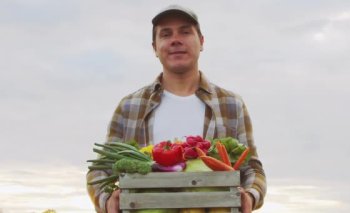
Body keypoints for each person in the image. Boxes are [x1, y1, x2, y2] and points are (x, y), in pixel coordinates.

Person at [86, 5, 266, 213]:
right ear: (155, 47)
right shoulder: (129, 107)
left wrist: (250, 196)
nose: (176, 40)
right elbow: (99, 170)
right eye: (166, 34)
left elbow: (252, 168)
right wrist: (107, 200)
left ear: (202, 42)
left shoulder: (231, 105)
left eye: (185, 31)